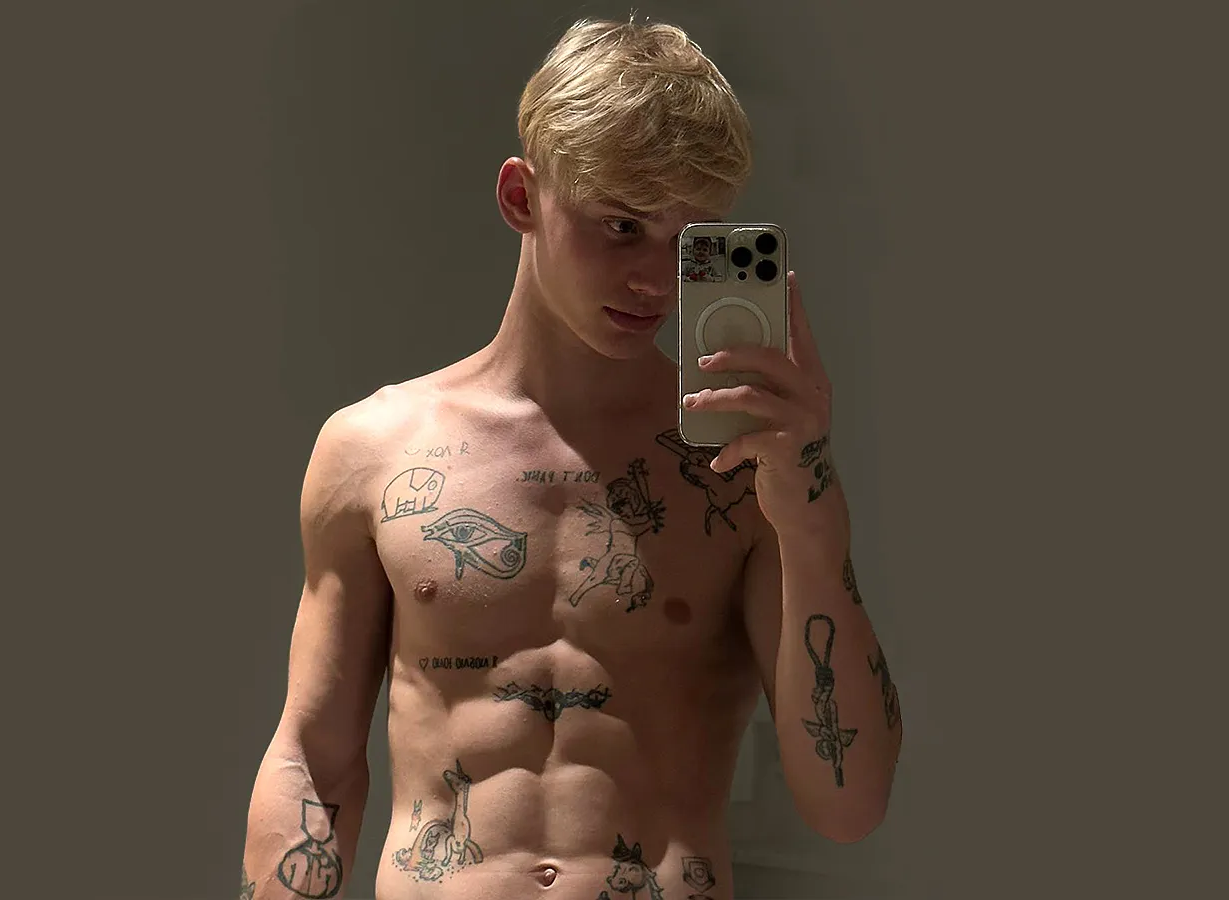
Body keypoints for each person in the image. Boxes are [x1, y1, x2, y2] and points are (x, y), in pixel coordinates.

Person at [241, 16, 902, 900]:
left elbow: (850, 806)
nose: (655, 280)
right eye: (621, 225)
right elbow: (314, 759)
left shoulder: (745, 468)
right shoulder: (375, 449)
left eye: (688, 241)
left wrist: (811, 513)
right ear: (522, 197)